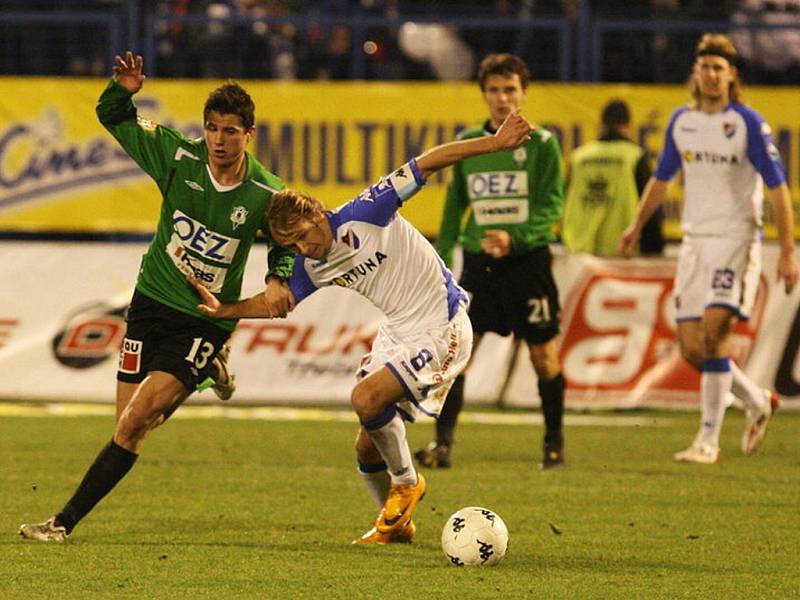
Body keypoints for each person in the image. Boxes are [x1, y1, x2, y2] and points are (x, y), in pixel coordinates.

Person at [190, 110, 534, 544]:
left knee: (365, 398)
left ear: (317, 213)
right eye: (290, 245)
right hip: (398, 332)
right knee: (365, 446)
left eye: (302, 236)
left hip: (441, 323)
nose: (302, 249)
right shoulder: (311, 262)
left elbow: (429, 161)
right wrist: (225, 311)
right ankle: (394, 525)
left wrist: (496, 143)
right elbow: (275, 305)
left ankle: (408, 484)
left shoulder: (368, 209)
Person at [18, 51, 295, 541]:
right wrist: (122, 90)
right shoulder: (176, 155)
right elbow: (112, 117)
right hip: (150, 299)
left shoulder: (265, 192)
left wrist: (279, 278)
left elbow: (286, 240)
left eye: (231, 131)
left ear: (249, 135)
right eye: (213, 128)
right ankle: (205, 374)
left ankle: (61, 524)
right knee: (128, 426)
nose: (219, 140)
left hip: (204, 318)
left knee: (137, 420)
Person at [619, 33, 798, 464]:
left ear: (732, 75)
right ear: (695, 74)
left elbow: (778, 188)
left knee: (716, 334)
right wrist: (636, 224)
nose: (712, 75)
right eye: (706, 67)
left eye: (720, 68)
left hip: (737, 240)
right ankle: (756, 398)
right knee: (691, 349)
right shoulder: (682, 121)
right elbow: (662, 180)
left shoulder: (748, 124)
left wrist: (788, 249)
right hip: (694, 243)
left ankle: (707, 441)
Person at [414, 53, 567, 470]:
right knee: (458, 354)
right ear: (484, 95)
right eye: (495, 90)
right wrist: (442, 261)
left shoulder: (544, 145)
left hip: (528, 264)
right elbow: (454, 209)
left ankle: (553, 445)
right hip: (480, 266)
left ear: (524, 93)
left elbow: (552, 208)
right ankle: (442, 444)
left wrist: (514, 238)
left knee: (544, 358)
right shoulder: (470, 142)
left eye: (510, 90)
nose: (503, 99)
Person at [563, 99, 664, 256]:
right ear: (628, 126)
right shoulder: (634, 156)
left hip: (578, 251)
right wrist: (654, 248)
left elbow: (564, 201)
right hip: (620, 250)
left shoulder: (578, 157)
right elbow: (649, 203)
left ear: (601, 124)